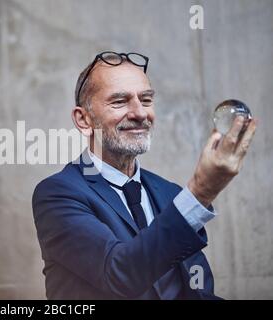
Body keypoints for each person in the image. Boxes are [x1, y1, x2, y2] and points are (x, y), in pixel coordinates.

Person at [31, 51, 257, 299]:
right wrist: (201, 192)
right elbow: (120, 274)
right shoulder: (57, 194)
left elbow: (197, 293)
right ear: (83, 120)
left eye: (146, 100)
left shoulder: (171, 194)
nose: (140, 113)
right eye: (119, 101)